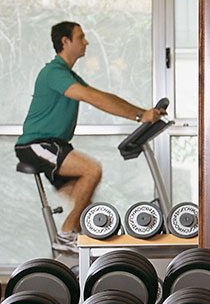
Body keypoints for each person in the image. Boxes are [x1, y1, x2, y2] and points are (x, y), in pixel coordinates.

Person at [14, 21, 164, 251]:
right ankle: (65, 236)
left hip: (56, 145)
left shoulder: (67, 74)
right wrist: (139, 115)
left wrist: (142, 112)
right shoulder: (53, 73)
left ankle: (76, 264)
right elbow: (92, 98)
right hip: (36, 145)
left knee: (85, 208)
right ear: (65, 41)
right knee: (91, 170)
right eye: (81, 37)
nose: (86, 42)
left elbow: (101, 95)